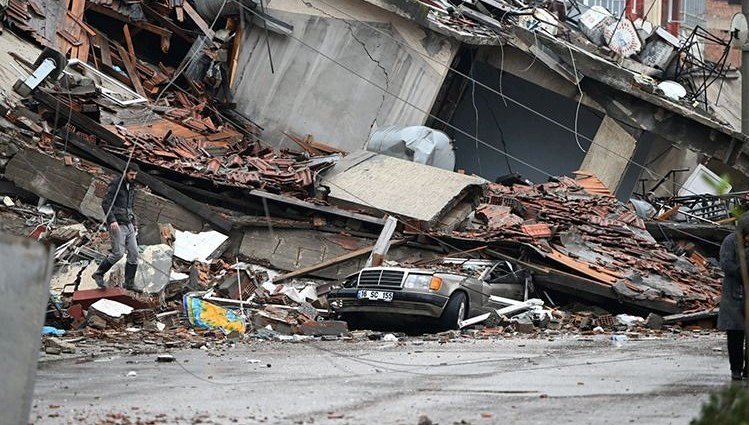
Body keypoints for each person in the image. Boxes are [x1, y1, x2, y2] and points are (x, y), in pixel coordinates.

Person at [92, 163, 140, 290]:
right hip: (117, 223)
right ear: (125, 172)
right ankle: (98, 273)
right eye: (131, 174)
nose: (133, 177)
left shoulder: (132, 186)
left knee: (134, 253)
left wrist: (134, 223)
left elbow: (130, 206)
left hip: (129, 223)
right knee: (118, 253)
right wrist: (112, 220)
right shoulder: (116, 184)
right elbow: (105, 203)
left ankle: (129, 283)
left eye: (135, 175)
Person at [718, 213, 749, 380]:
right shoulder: (730, 242)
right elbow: (726, 264)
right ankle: (735, 369)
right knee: (735, 335)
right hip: (734, 294)